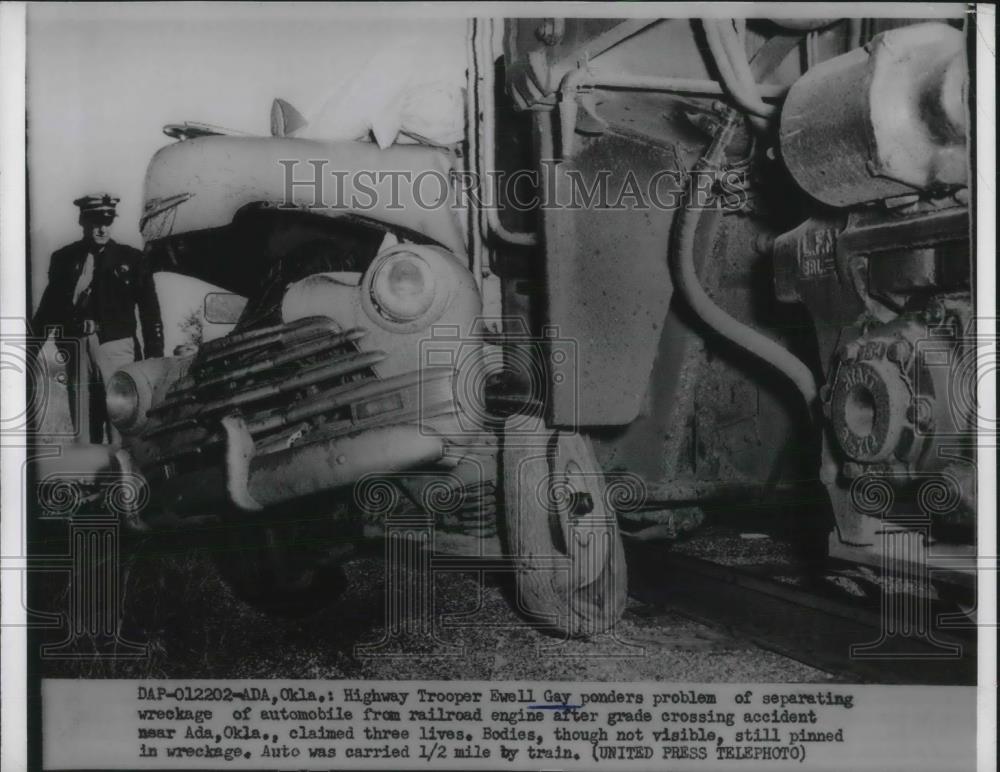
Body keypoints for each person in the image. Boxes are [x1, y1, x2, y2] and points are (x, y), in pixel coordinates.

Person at [31, 193, 163, 443]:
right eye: (94, 221)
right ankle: (90, 477)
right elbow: (49, 308)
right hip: (77, 348)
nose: (102, 228)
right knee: (83, 425)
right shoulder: (64, 259)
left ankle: (124, 476)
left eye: (107, 220)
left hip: (117, 349)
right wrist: (30, 351)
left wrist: (155, 357)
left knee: (123, 420)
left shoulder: (132, 259)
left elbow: (149, 311)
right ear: (82, 221)